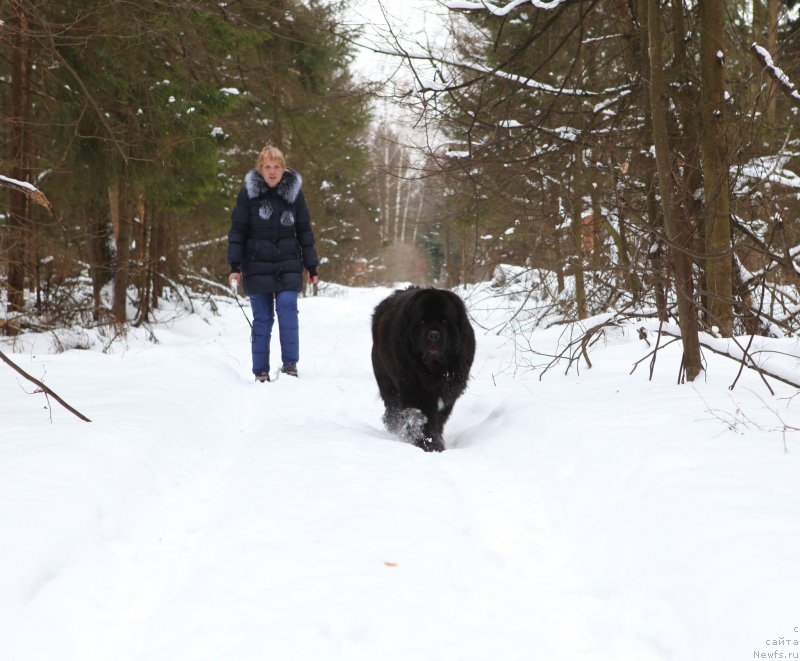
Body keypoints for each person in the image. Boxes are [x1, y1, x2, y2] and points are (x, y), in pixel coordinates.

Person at [227, 145, 319, 382]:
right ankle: (260, 371)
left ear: (283, 168)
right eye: (267, 166)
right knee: (263, 317)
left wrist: (312, 266)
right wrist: (235, 267)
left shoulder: (294, 194)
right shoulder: (248, 193)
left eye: (277, 166)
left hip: (288, 263)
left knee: (288, 308)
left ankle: (290, 364)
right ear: (260, 169)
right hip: (256, 264)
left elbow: (304, 230)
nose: (272, 171)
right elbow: (238, 231)